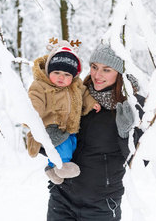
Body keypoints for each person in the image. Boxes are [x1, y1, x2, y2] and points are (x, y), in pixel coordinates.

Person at [46, 43, 145, 221]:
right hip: (61, 198)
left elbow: (140, 161)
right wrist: (49, 137)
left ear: (120, 72)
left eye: (106, 70)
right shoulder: (75, 94)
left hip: (101, 204)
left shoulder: (133, 106)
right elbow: (47, 142)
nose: (97, 75)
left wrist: (125, 133)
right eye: (94, 67)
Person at [25, 40, 101, 185]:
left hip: (70, 128)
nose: (61, 77)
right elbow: (35, 100)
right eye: (57, 72)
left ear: (73, 76)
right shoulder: (40, 86)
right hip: (52, 127)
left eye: (67, 74)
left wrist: (92, 104)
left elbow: (85, 96)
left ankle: (51, 168)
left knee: (71, 145)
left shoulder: (76, 86)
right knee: (63, 148)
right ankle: (63, 166)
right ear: (48, 72)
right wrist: (33, 114)